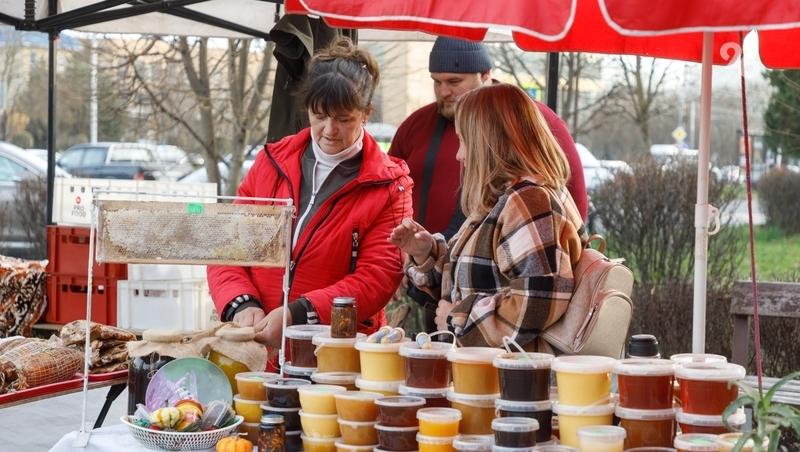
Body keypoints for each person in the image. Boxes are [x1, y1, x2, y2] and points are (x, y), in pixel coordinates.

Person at [208, 37, 413, 348]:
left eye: (344, 119)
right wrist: (241, 303)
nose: (330, 130)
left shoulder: (390, 187)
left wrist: (299, 314)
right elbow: (226, 246)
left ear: (366, 112)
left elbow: (377, 279)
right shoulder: (270, 163)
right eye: (320, 116)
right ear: (306, 108)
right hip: (256, 348)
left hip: (337, 352)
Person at [389, 83, 587, 348]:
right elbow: (479, 275)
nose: (460, 155)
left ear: (489, 144)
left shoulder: (529, 202)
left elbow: (538, 300)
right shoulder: (508, 198)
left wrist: (457, 319)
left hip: (509, 380)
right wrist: (427, 253)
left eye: (464, 142)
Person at [389, 37, 588, 241]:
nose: (443, 91)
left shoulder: (531, 118)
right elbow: (387, 191)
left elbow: (574, 197)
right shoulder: (416, 125)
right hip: (437, 260)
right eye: (436, 81)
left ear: (485, 75)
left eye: (454, 81)